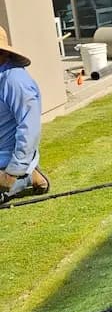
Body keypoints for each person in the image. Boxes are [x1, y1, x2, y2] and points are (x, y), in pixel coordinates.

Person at [0, 26, 50, 203]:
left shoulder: (15, 81)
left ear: (3, 54)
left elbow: (29, 128)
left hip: (7, 162)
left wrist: (13, 172)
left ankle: (27, 177)